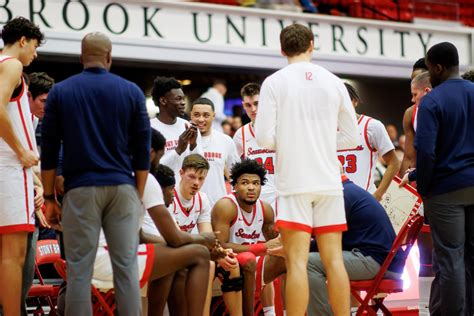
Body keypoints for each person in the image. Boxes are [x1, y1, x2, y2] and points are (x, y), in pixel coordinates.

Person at [41, 32, 151, 315]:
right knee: (126, 269)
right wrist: (136, 194)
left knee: (79, 271)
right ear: (109, 57)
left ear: (81, 58)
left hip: (80, 189)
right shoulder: (131, 92)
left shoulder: (61, 92)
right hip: (122, 187)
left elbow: (50, 150)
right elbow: (142, 151)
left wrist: (49, 197)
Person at [254, 23, 359, 316]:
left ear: (281, 49)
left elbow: (262, 137)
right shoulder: (334, 81)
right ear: (312, 44)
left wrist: (290, 141)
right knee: (334, 261)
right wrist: (324, 142)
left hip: (294, 184)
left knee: (296, 262)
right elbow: (351, 137)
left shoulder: (274, 82)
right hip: (329, 181)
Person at [416, 42, 474, 316]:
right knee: (471, 259)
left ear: (437, 67)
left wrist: (425, 187)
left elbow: (426, 151)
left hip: (445, 191)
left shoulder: (432, 101)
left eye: (429, 68)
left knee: (451, 260)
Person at [307, 174, 404, 316]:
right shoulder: (350, 191)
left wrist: (297, 246)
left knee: (308, 263)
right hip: (386, 261)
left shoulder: (341, 196)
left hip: (377, 262)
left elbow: (329, 241)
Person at [0, 17, 43, 316]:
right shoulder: (12, 64)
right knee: (13, 257)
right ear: (24, 40)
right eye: (36, 46)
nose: (35, 55)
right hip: (8, 168)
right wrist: (21, 151)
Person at [212, 159, 285, 316]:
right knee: (248, 258)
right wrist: (262, 247)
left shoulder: (265, 209)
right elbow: (221, 246)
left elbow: (275, 242)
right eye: (245, 183)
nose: (251, 187)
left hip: (251, 259)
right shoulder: (226, 206)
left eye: (256, 183)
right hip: (225, 261)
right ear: (235, 186)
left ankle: (278, 312)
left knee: (291, 256)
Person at [338, 83, 400, 201]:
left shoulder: (372, 126)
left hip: (363, 199)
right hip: (336, 201)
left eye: (345, 101)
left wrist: (378, 194)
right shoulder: (326, 129)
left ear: (355, 101)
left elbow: (394, 163)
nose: (341, 106)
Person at [150, 76, 203, 180]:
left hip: (186, 192)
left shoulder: (187, 126)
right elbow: (151, 169)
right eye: (178, 99)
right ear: (163, 101)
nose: (183, 102)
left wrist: (193, 145)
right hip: (162, 191)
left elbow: (201, 165)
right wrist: (178, 150)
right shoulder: (149, 128)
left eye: (183, 98)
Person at [233, 83, 277, 207]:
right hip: (257, 197)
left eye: (257, 103)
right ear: (243, 106)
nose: (253, 109)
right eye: (248, 105)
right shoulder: (240, 134)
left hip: (282, 195)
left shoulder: (282, 127)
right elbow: (233, 168)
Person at [190, 97, 240, 206]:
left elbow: (236, 175)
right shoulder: (183, 141)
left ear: (214, 116)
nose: (201, 119)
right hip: (188, 208)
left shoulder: (225, 140)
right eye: (197, 115)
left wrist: (234, 201)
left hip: (218, 207)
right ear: (191, 115)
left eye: (206, 115)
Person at [399, 71, 431, 176]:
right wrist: (401, 190)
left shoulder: (451, 108)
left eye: (415, 94)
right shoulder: (410, 113)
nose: (412, 99)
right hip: (423, 175)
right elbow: (408, 157)